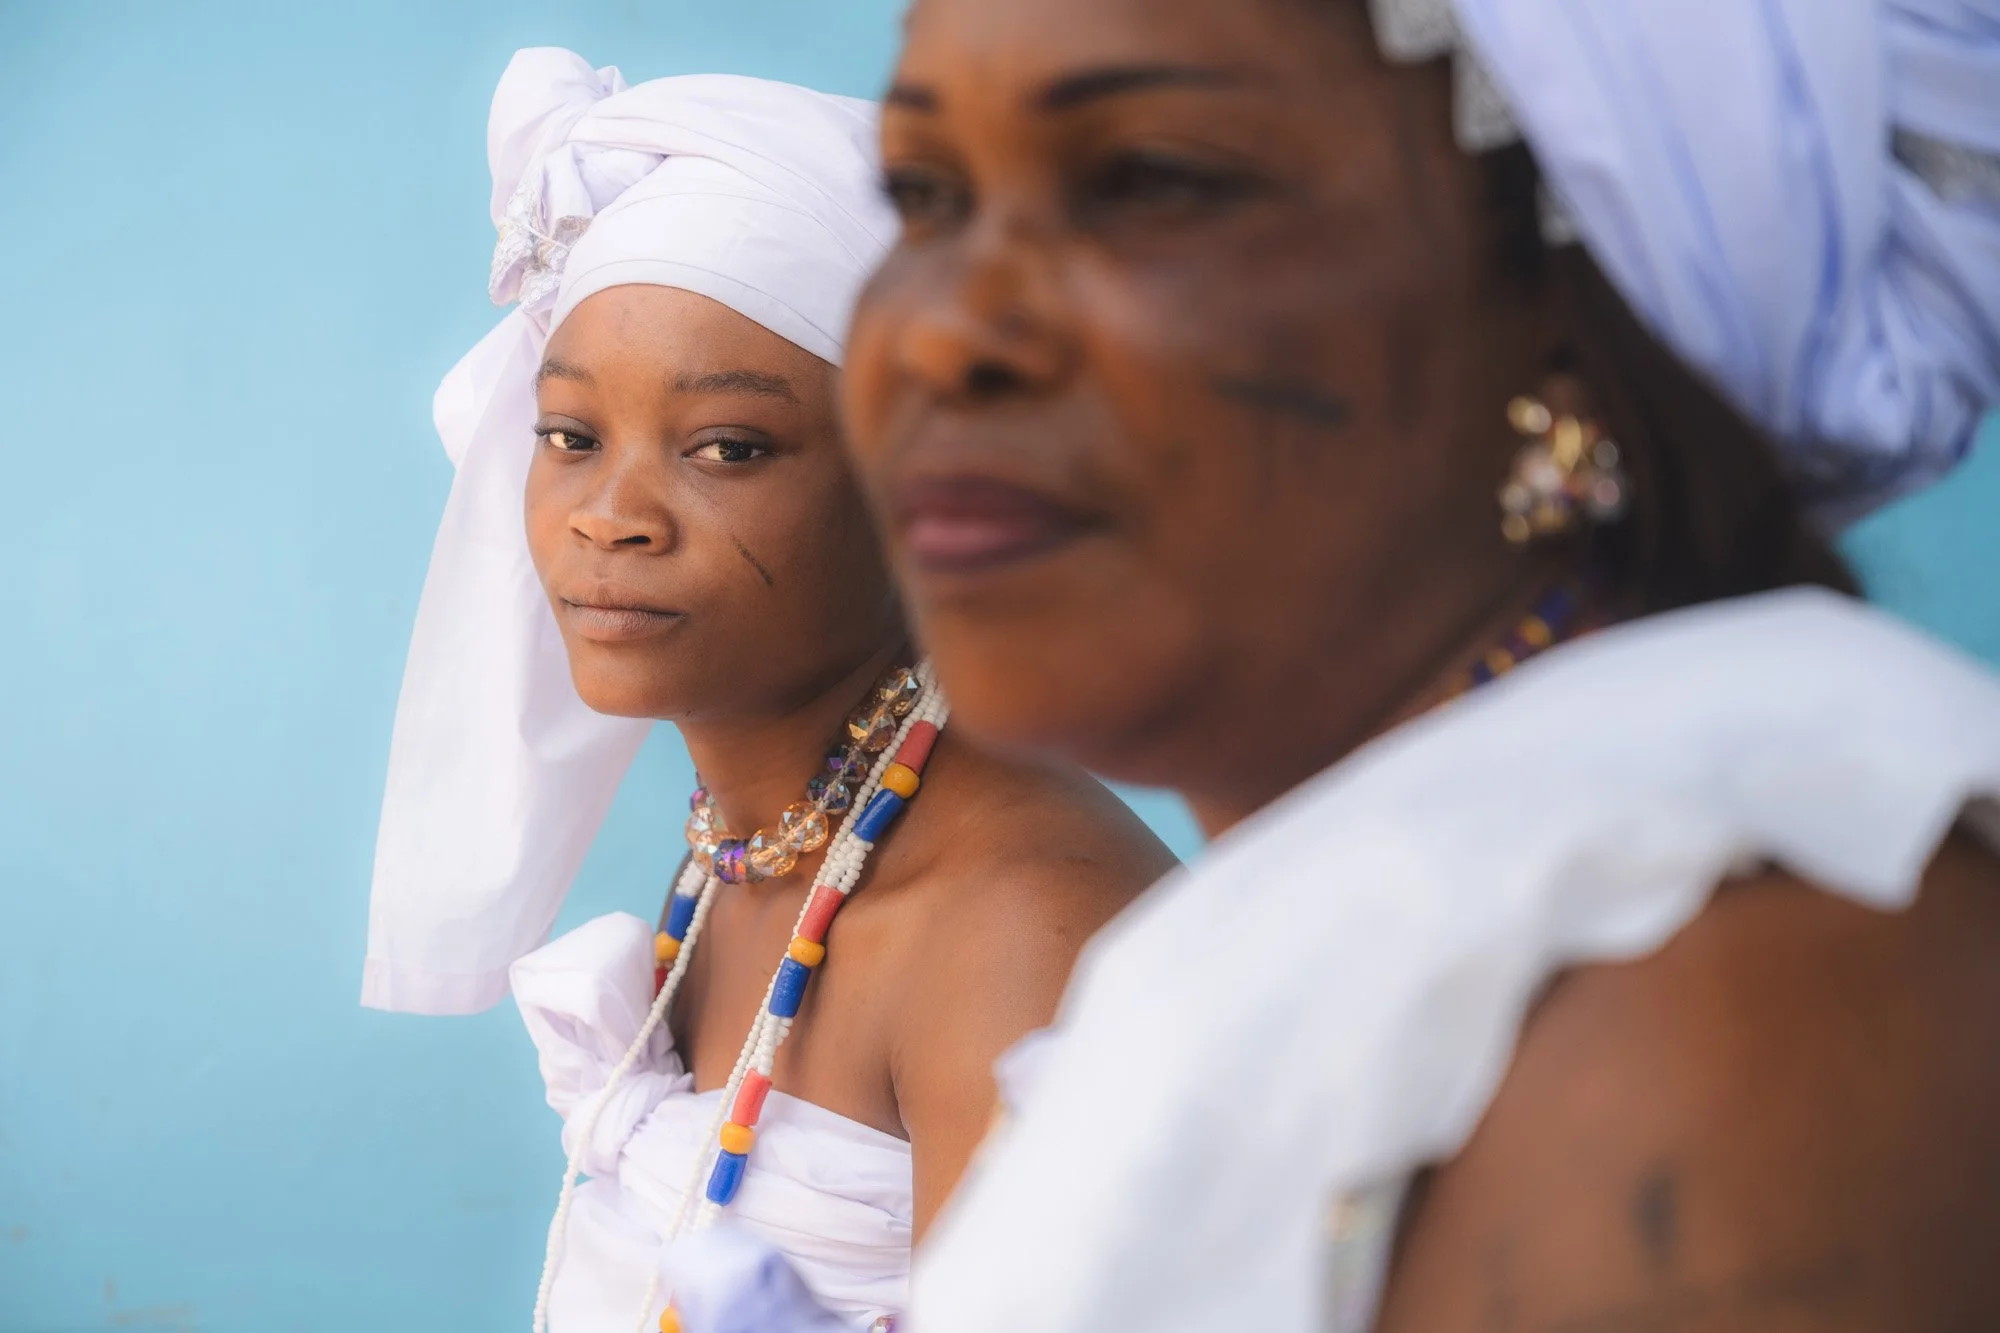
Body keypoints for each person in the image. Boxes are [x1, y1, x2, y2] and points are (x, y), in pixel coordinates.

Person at [654, 0, 2000, 1329]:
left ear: (1563, 309)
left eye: (1151, 183)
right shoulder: (1331, 927)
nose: (941, 331)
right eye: (927, 196)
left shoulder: (1723, 983)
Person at [359, 48, 1173, 1333]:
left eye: (727, 447)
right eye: (569, 436)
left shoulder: (1013, 931)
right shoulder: (751, 849)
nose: (609, 517)